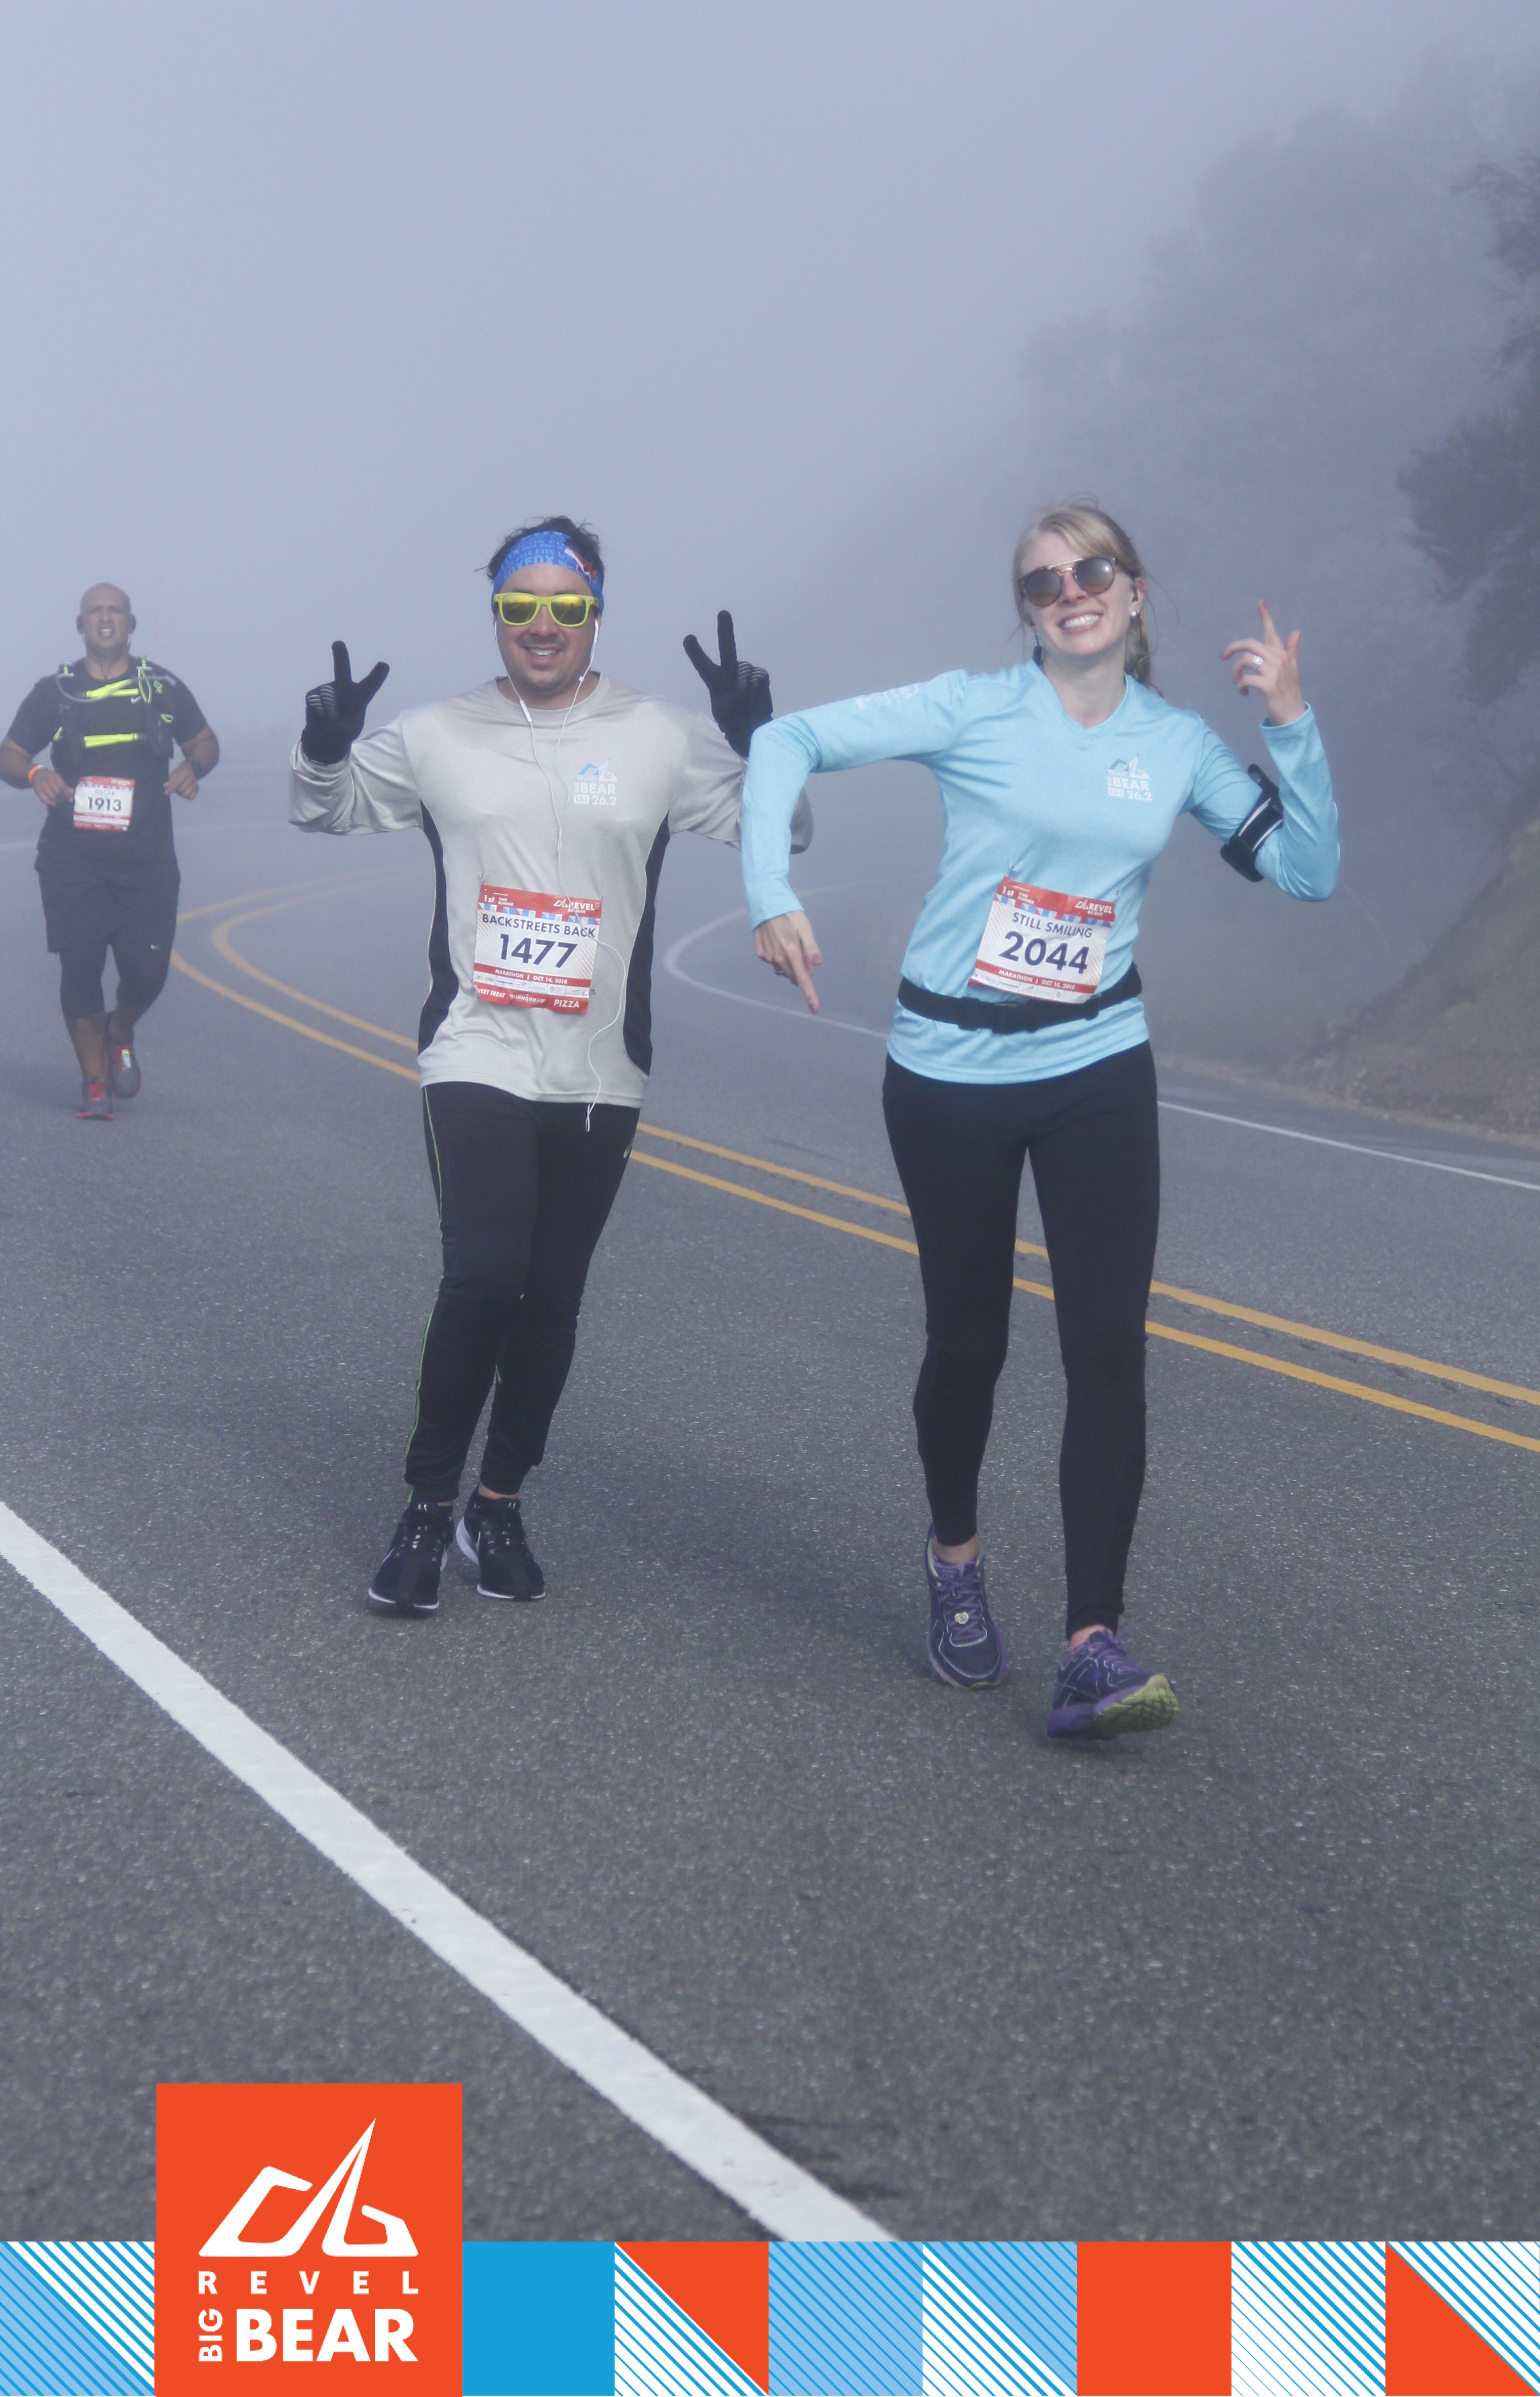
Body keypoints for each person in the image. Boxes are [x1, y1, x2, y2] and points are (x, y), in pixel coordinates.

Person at [739, 501, 1337, 1739]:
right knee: (969, 1347)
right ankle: (954, 1560)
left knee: (1105, 1350)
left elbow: (1307, 869)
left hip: (1095, 1065)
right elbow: (787, 738)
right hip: (949, 1069)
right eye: (1042, 581)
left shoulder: (1176, 744)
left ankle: (1090, 1643)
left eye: (1092, 570)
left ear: (1133, 590)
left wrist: (1290, 723)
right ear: (1025, 610)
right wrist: (767, 892)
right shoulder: (973, 709)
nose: (1070, 592)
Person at [290, 515, 809, 1618]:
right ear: (494, 616)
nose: (541, 624)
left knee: (550, 1299)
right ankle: (425, 1508)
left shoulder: (657, 734)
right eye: (518, 605)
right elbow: (321, 807)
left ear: (595, 616)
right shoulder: (437, 732)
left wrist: (760, 739)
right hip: (475, 1046)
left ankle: (497, 1502)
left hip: (601, 1064)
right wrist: (326, 744)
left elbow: (787, 831)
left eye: (564, 606)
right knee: (482, 1276)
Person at [1, 584, 219, 1119]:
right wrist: (35, 774)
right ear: (80, 625)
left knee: (148, 972)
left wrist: (193, 768)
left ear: (131, 623)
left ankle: (120, 1029)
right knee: (79, 967)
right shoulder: (55, 692)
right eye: (95, 611)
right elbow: (10, 754)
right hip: (72, 858)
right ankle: (94, 1081)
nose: (105, 618)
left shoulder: (160, 687)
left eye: (114, 610)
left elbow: (205, 743)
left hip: (147, 859)